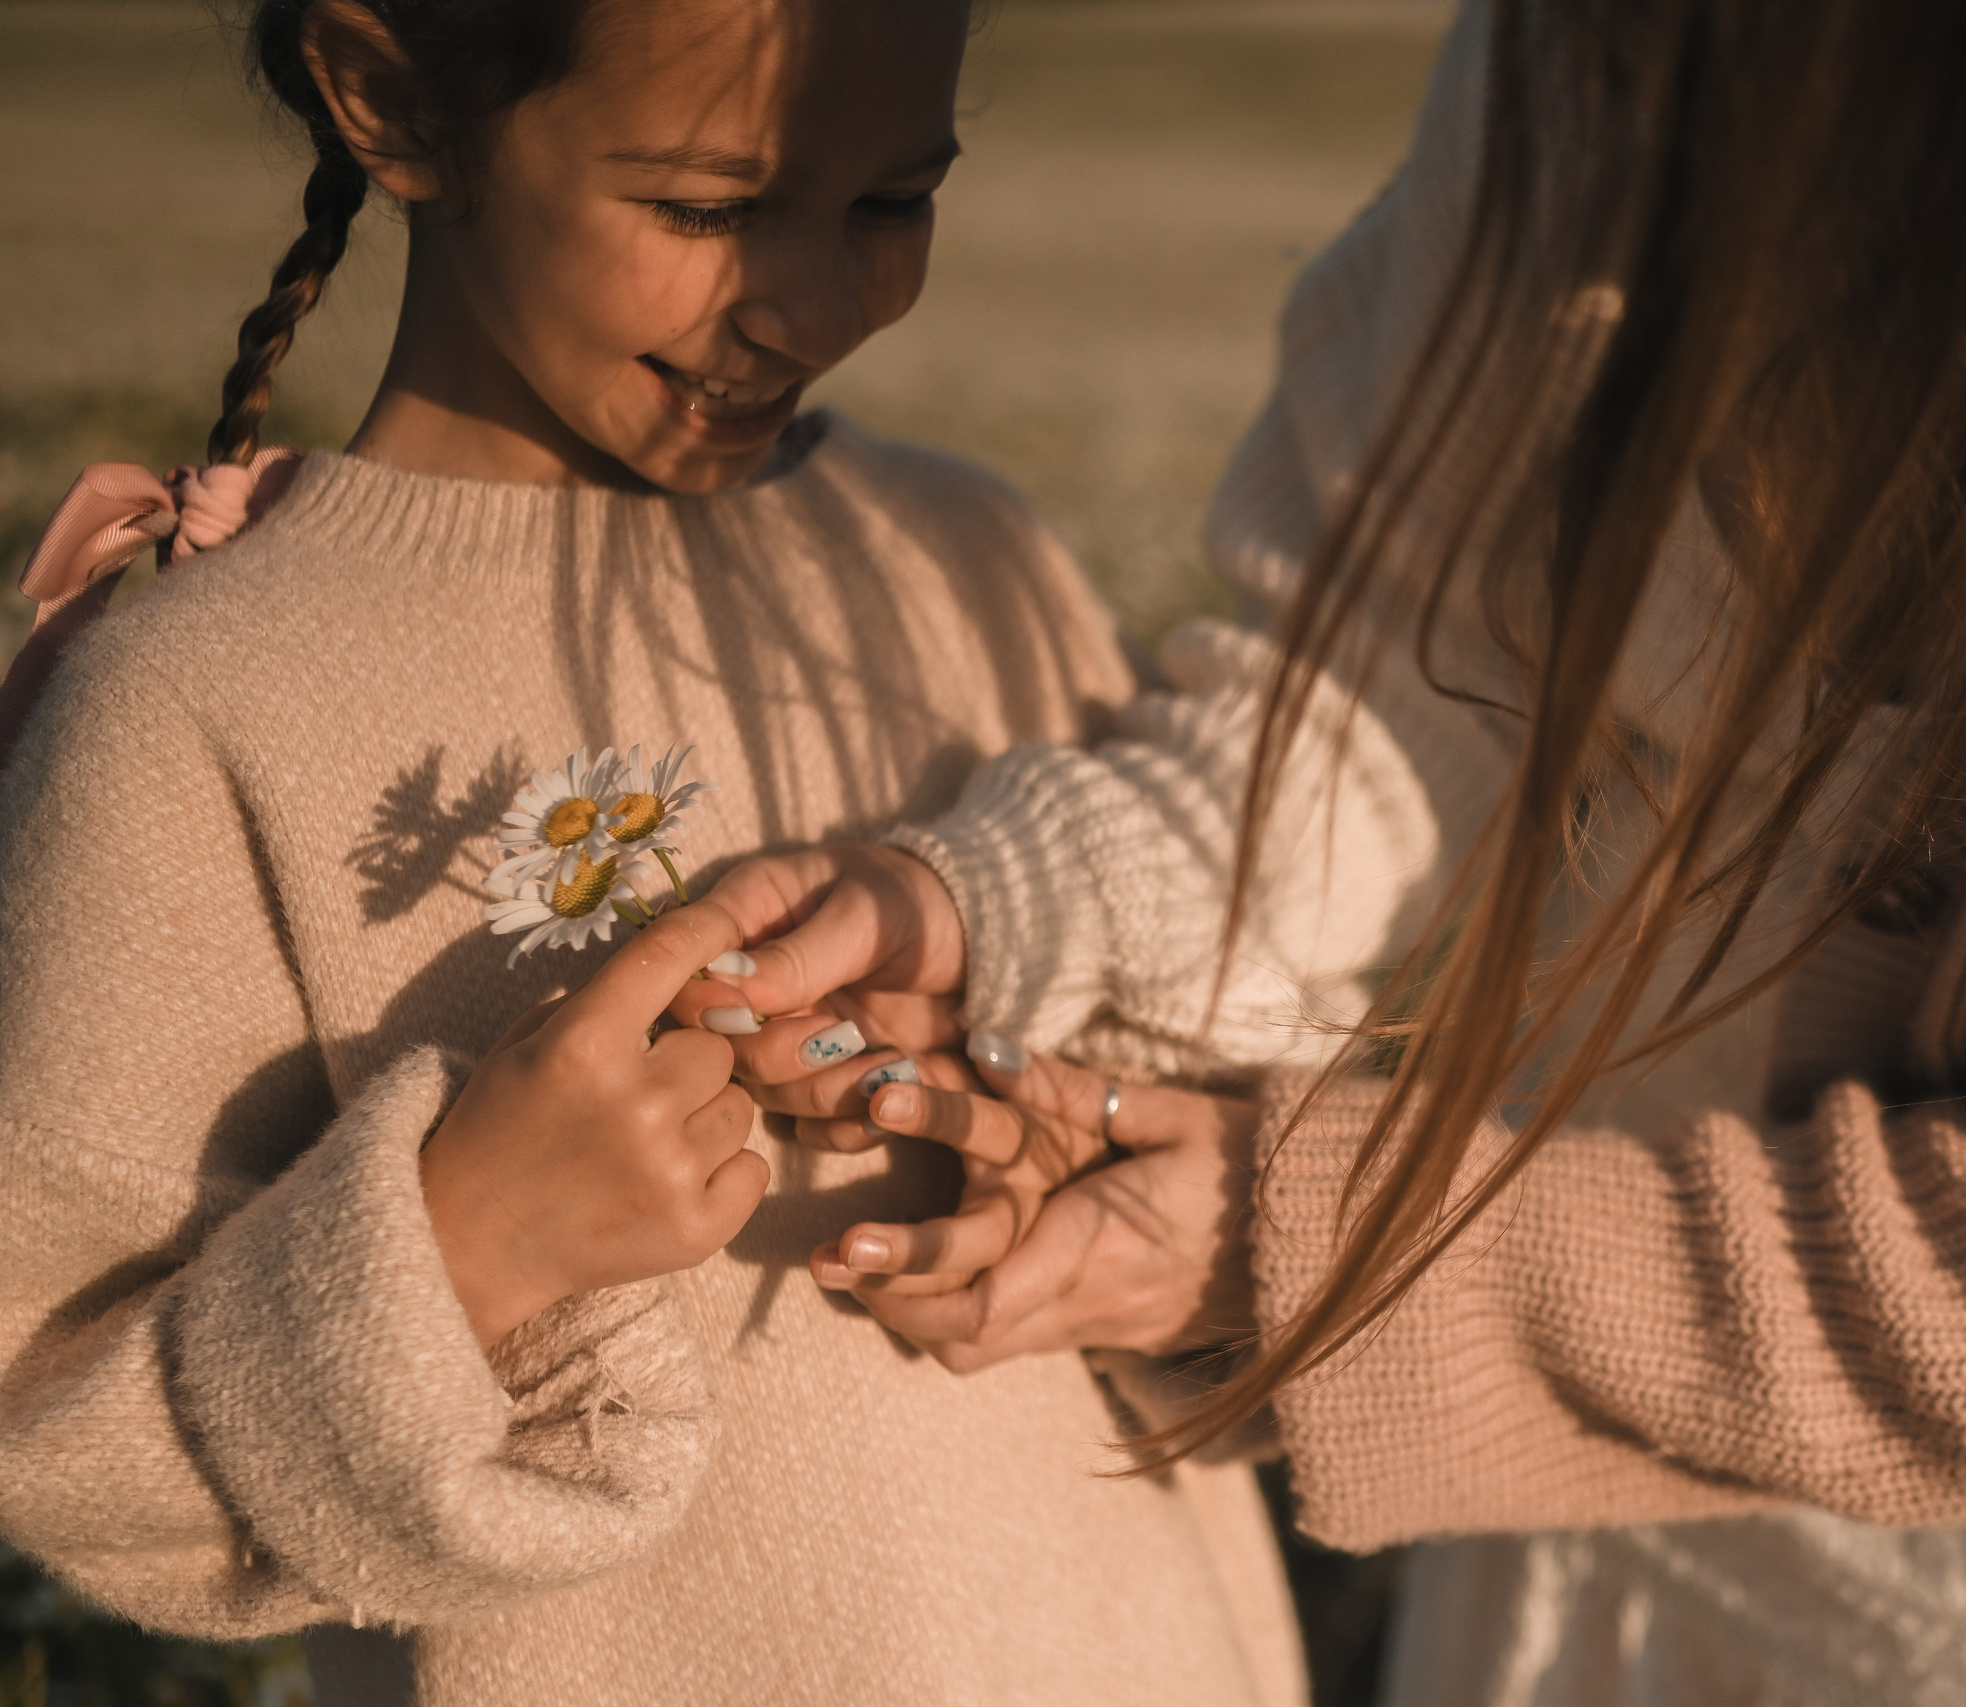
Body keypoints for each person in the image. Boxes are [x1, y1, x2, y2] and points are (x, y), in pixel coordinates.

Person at [667, 0, 1966, 1700]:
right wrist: (1001, 913)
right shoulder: (1638, 49)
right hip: (1520, 1501)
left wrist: (1289, 1247)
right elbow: (1392, 666)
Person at [0, 3, 1303, 1704]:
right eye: (705, 209)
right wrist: (466, 1242)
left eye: (892, 204)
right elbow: (71, 1456)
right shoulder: (197, 698)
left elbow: (1234, 1203)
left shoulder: (970, 557)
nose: (817, 304)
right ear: (386, 96)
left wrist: (1107, 1215)